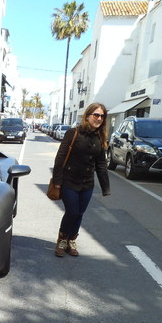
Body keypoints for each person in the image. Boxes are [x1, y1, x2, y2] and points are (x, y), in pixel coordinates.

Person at [52, 102, 111, 257]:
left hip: (87, 184)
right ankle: (62, 240)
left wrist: (106, 187)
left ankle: (71, 240)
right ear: (88, 116)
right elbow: (60, 158)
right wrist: (57, 180)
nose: (99, 118)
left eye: (102, 116)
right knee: (72, 211)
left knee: (80, 213)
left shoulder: (100, 137)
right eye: (96, 115)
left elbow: (101, 164)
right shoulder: (73, 133)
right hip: (69, 181)